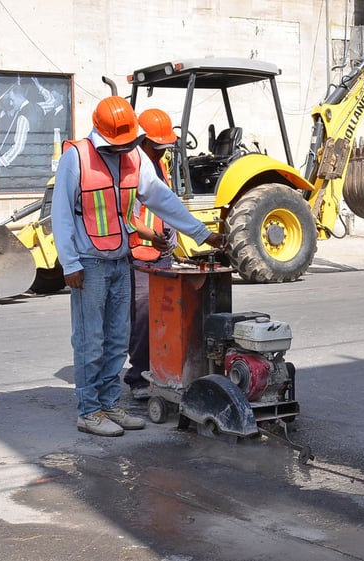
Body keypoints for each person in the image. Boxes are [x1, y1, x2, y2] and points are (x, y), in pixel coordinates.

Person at [51, 96, 227, 437]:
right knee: (90, 340)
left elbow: (162, 199)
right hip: (88, 264)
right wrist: (69, 263)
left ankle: (110, 404)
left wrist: (202, 233)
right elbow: (61, 215)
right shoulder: (76, 158)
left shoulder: (134, 157)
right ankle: (89, 411)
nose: (121, 149)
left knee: (117, 340)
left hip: (120, 259)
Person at [124, 108, 179, 399]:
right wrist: (152, 237)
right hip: (140, 254)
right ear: (141, 142)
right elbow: (127, 216)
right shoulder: (131, 170)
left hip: (162, 255)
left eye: (163, 147)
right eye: (157, 147)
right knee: (143, 317)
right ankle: (138, 378)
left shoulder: (161, 165)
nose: (161, 152)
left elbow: (166, 205)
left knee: (167, 315)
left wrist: (173, 235)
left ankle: (162, 371)